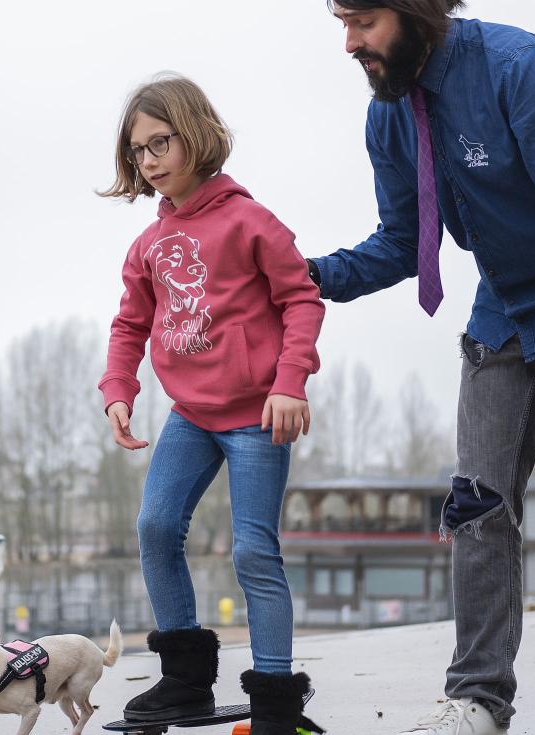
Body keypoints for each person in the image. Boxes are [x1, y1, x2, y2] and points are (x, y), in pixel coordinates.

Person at [307, 3, 535, 734]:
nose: (349, 43)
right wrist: (301, 274)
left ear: (414, 10)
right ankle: (476, 698)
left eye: (364, 21)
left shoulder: (520, 69)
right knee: (475, 502)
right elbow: (403, 240)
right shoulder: (390, 115)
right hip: (506, 302)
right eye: (342, 22)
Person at [97, 74, 326, 735]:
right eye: (137, 150)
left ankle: (277, 701)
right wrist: (119, 389)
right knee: (153, 526)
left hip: (259, 414)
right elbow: (129, 324)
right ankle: (185, 681)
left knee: (254, 550)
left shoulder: (250, 221)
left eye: (159, 142)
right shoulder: (147, 245)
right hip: (191, 415)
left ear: (195, 135)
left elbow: (301, 300)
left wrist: (290, 381)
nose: (149, 160)